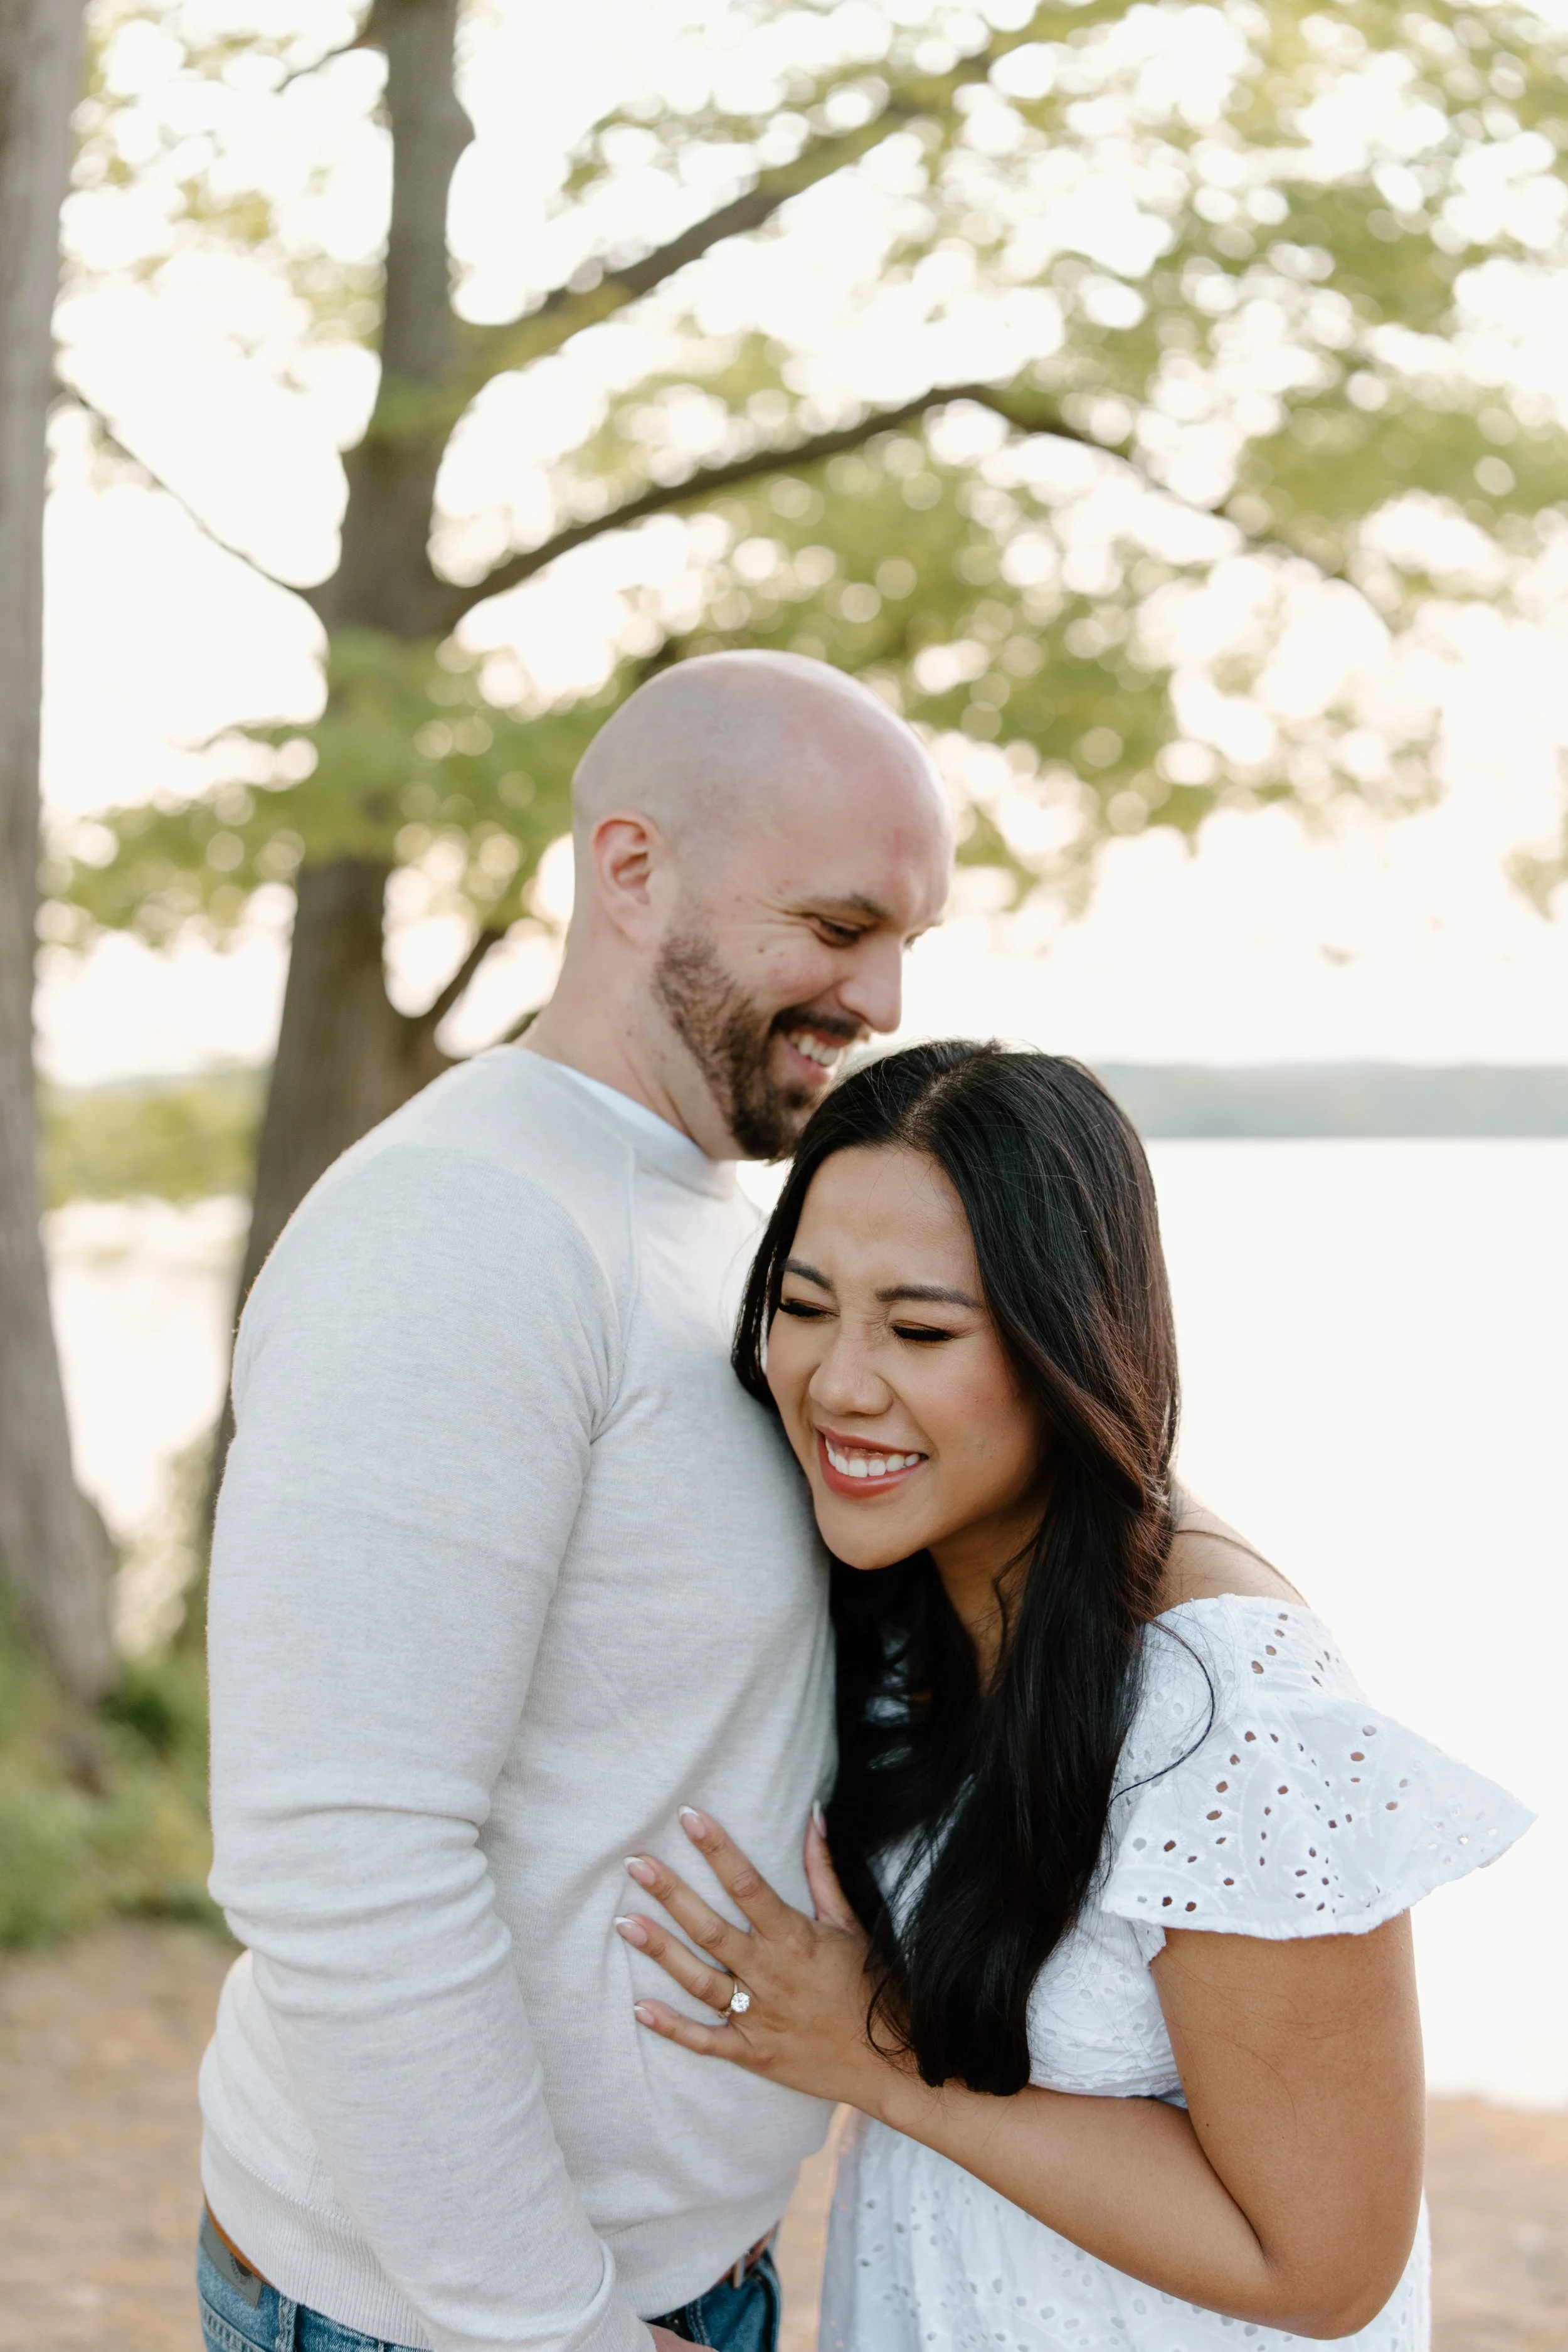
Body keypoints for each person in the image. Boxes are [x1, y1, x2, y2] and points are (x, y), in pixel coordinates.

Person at [194, 652, 955, 2352]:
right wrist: (552, 2326)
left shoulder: (705, 1213)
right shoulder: (465, 1221)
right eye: (838, 925)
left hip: (678, 2273)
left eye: (909, 936)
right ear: (631, 871)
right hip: (447, 2316)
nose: (884, 993)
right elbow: (343, 1854)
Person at [615, 1040, 1532, 2352]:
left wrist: (868, 2055)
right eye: (805, 1306)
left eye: (920, 1328)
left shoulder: (1223, 1711)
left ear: (1069, 1340)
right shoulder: (911, 1588)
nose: (838, 1382)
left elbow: (1326, 2268)